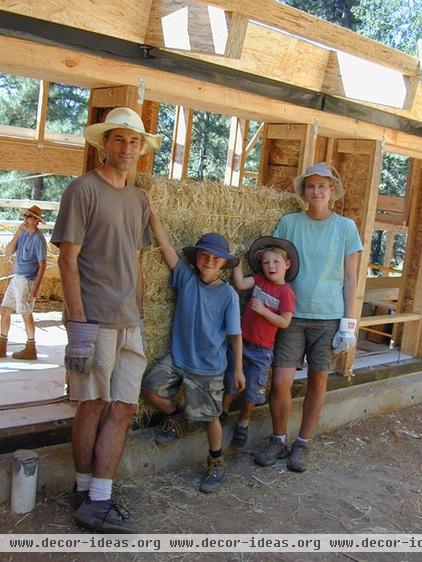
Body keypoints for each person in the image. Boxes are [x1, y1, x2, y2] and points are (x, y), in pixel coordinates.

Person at [51, 107, 161, 533]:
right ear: (104, 143)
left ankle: (99, 496)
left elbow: (135, 258)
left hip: (128, 322)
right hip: (93, 321)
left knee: (125, 407)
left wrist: (139, 309)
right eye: (119, 139)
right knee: (92, 405)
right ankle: (85, 493)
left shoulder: (138, 199)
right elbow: (67, 259)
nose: (127, 147)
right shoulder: (82, 190)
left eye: (135, 141)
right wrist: (78, 326)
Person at [255, 162, 363, 473]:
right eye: (311, 186)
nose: (316, 191)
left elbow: (351, 278)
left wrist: (348, 322)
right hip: (290, 315)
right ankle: (278, 438)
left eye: (323, 187)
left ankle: (302, 443)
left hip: (327, 317)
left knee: (318, 381)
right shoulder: (289, 223)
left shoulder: (345, 228)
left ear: (333, 192)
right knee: (280, 382)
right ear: (303, 191)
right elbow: (272, 265)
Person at [142, 201, 245, 493]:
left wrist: (237, 368)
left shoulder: (227, 295)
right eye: (204, 256)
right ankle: (174, 416)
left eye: (216, 258)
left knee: (209, 418)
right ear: (196, 257)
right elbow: (165, 246)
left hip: (209, 366)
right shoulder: (186, 277)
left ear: (224, 263)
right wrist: (152, 213)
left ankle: (215, 461)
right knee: (150, 386)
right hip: (178, 358)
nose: (209, 261)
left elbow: (235, 335)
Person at [221, 236, 298, 449]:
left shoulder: (286, 293)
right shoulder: (260, 280)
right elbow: (239, 283)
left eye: (276, 262)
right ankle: (223, 412)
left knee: (253, 389)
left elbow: (284, 322)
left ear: (287, 264)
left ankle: (244, 422)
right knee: (230, 380)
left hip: (262, 350)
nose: (270, 266)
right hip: (242, 344)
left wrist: (263, 311)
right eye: (266, 262)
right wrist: (235, 260)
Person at [0, 206, 47, 360]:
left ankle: (31, 347)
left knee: (26, 313)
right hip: (16, 278)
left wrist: (35, 289)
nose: (25, 219)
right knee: (5, 309)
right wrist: (17, 234)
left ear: (36, 221)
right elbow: (7, 252)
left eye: (29, 216)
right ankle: (2, 346)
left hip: (27, 280)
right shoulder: (23, 234)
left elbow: (43, 265)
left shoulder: (39, 239)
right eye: (25, 216)